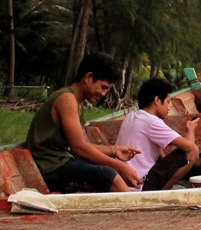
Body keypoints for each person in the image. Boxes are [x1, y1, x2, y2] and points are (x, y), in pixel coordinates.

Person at [26, 52, 143, 193]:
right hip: (49, 169)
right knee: (111, 176)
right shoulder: (67, 99)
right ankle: (136, 211)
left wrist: (115, 150)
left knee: (108, 172)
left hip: (63, 162)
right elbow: (78, 147)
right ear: (88, 77)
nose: (103, 94)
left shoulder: (77, 101)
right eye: (103, 87)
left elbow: (81, 144)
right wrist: (118, 165)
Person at [115, 77, 201, 191]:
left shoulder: (132, 115)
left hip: (124, 182)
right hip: (140, 185)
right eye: (168, 102)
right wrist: (190, 129)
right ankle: (162, 194)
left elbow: (158, 149)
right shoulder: (151, 121)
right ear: (157, 100)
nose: (169, 107)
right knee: (193, 151)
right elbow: (189, 146)